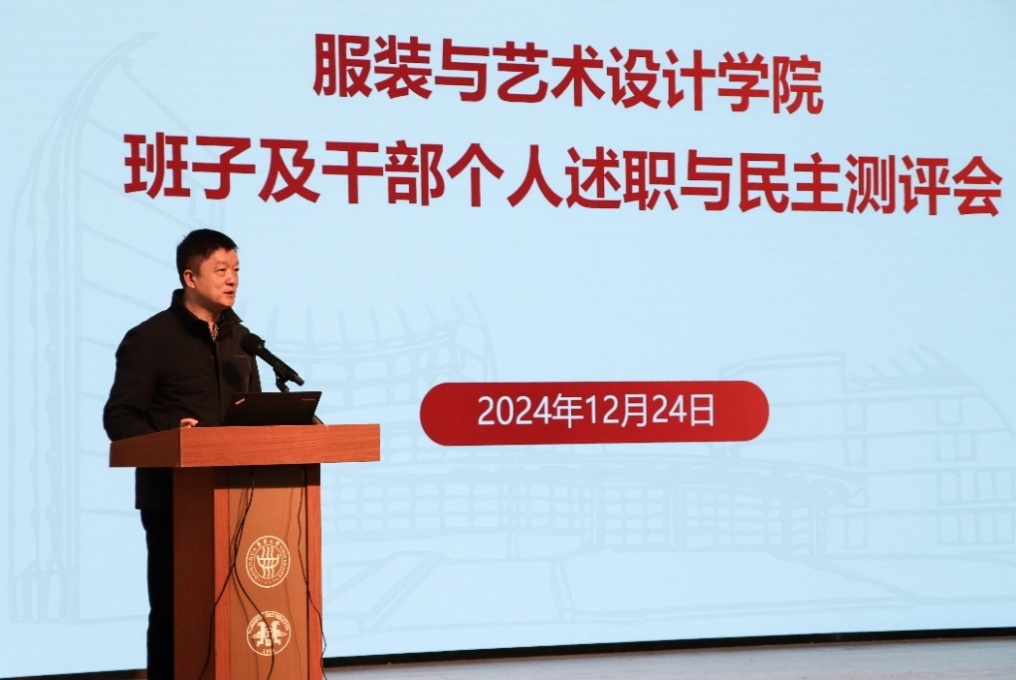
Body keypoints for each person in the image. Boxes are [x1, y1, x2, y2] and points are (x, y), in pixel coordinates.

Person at [103, 229, 261, 680]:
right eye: (220, 270)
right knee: (176, 608)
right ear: (190, 277)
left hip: (238, 500)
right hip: (173, 501)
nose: (232, 279)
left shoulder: (241, 340)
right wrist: (170, 437)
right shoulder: (150, 338)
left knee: (239, 606)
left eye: (236, 270)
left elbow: (254, 417)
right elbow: (120, 417)